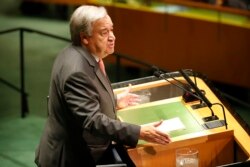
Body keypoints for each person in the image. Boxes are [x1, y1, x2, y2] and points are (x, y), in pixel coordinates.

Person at [35, 5, 171, 167]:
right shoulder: (77, 71)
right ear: (85, 38)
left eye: (112, 30)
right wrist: (139, 132)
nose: (112, 37)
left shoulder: (80, 54)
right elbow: (92, 121)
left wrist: (113, 100)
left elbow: (83, 100)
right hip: (72, 158)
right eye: (104, 33)